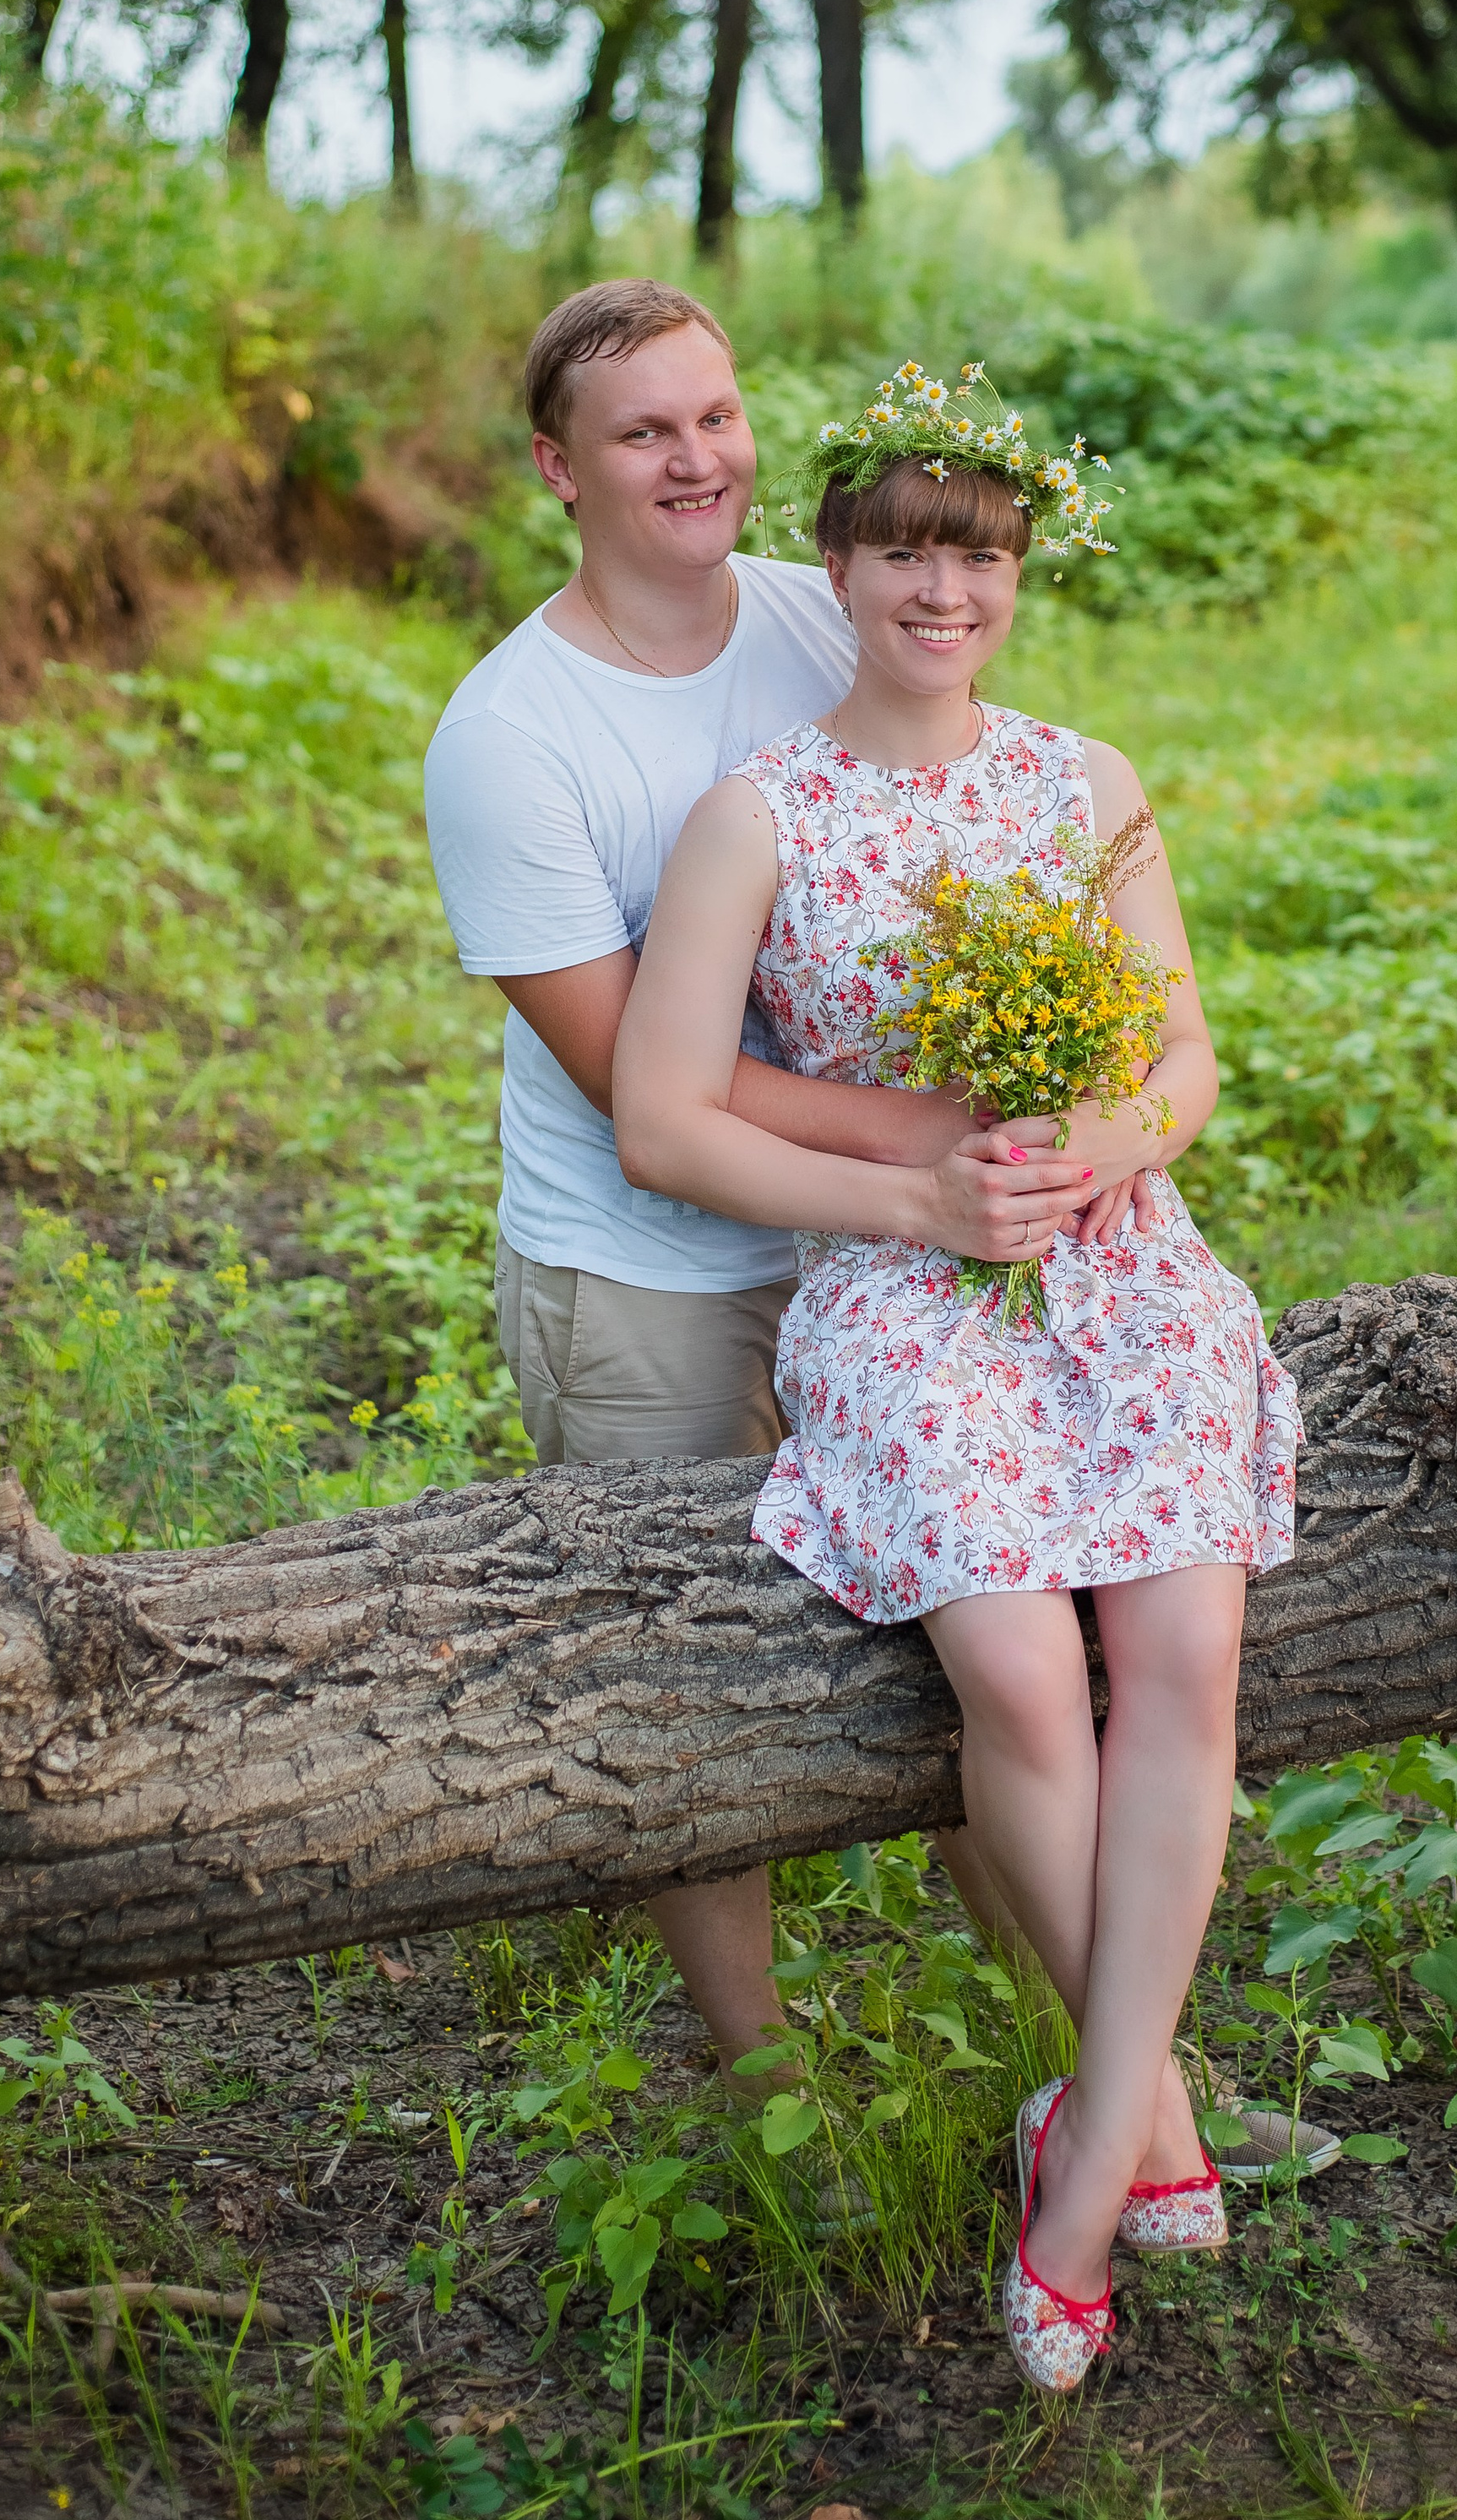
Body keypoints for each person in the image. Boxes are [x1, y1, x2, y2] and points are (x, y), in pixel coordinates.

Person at [612, 367, 1302, 2392]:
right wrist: (916, 1198)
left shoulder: (1084, 782)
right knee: (1012, 1665)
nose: (941, 588)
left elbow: (1182, 1054)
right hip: (901, 1285)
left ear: (1017, 573)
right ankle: (1139, 2109)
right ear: (833, 566)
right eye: (904, 549)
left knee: (1179, 1647)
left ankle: (1078, 2169)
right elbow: (663, 1116)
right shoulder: (758, 814)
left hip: (1119, 1260)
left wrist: (1107, 1140)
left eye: (978, 554)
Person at [422, 283, 1099, 2092]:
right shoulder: (512, 736)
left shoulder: (825, 612)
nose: (693, 459)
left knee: (973, 1613)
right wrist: (926, 1140)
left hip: (885, 1266)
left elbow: (982, 825)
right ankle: (768, 2087)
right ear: (558, 468)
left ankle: (1095, 2051)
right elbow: (638, 1077)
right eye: (643, 432)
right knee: (692, 1671)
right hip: (646, 1266)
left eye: (714, 416)